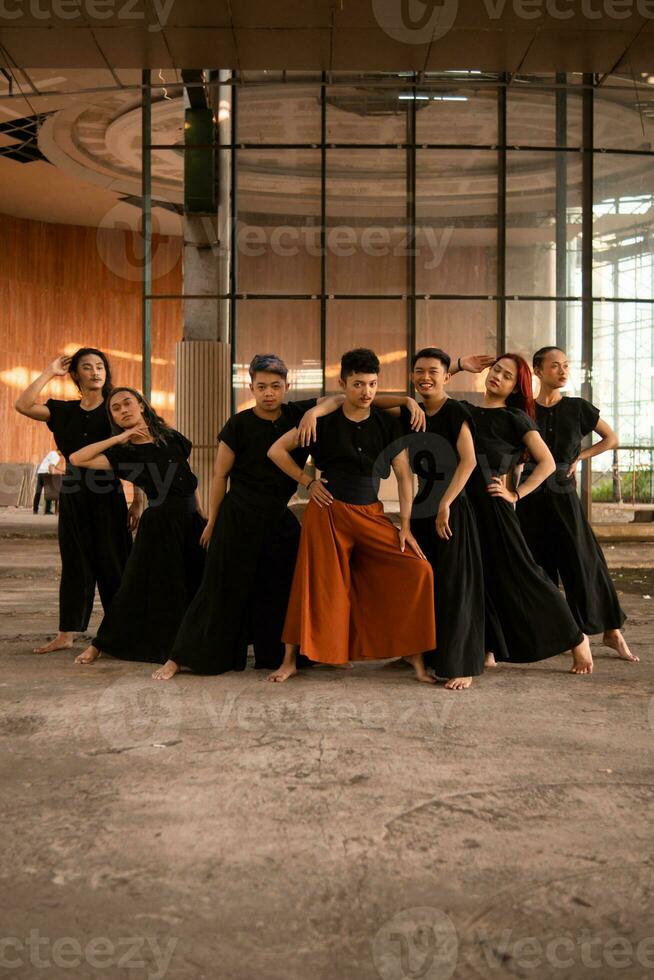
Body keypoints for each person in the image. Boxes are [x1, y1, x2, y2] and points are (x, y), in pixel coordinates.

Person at [153, 354, 426, 681]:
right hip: (239, 511)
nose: (269, 393)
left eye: (276, 386)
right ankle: (181, 657)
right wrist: (213, 519)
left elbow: (347, 396)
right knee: (218, 585)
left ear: (287, 387)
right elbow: (218, 476)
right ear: (251, 387)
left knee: (281, 586)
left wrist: (405, 400)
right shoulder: (238, 424)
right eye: (262, 387)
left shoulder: (300, 413)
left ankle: (280, 656)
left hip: (278, 515)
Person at [266, 347, 436, 684]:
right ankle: (289, 660)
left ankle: (415, 658)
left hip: (371, 513)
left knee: (419, 569)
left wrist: (405, 525)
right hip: (327, 514)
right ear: (343, 383)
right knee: (313, 584)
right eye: (358, 384)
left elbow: (404, 476)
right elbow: (276, 451)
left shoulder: (387, 424)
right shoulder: (322, 421)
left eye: (372, 384)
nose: (367, 392)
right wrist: (307, 482)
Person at [458, 353, 594, 675]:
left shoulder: (515, 418)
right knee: (481, 577)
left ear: (514, 387)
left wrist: (515, 493)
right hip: (467, 508)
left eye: (506, 376)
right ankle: (489, 646)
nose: (497, 377)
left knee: (526, 574)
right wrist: (458, 366)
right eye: (496, 371)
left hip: (497, 507)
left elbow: (546, 463)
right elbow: (430, 386)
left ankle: (577, 638)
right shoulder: (465, 411)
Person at [14, 351, 141, 654]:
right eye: (87, 367)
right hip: (72, 495)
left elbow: (136, 453)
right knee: (75, 564)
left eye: (100, 367)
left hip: (108, 495)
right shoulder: (63, 411)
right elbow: (22, 405)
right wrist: (49, 371)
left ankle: (119, 632)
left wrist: (138, 499)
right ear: (76, 375)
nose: (95, 372)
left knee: (114, 564)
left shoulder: (115, 411)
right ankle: (66, 634)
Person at [70, 387, 206, 666]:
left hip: (191, 521)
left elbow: (189, 478)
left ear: (141, 406)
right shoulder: (122, 453)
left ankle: (191, 645)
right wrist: (119, 438)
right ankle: (102, 644)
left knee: (196, 582)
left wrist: (203, 516)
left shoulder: (173, 438)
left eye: (127, 403)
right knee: (135, 587)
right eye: (116, 409)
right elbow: (77, 459)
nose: (123, 410)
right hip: (158, 525)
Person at [516, 346, 636, 662]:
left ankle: (612, 630)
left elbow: (610, 438)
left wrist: (578, 458)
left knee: (584, 563)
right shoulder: (523, 408)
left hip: (564, 496)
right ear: (538, 371)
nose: (563, 370)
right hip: (529, 497)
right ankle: (558, 635)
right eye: (555, 366)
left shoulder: (578, 407)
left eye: (566, 365)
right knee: (537, 567)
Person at [389, 348, 488, 690]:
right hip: (421, 506)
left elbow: (469, 461)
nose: (425, 377)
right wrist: (405, 399)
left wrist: (446, 503)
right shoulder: (408, 413)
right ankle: (423, 653)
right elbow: (360, 400)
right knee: (422, 582)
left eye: (433, 371)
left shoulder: (456, 410)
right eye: (418, 371)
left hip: (452, 506)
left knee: (454, 585)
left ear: (447, 376)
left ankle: (463, 664)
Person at [33, 449, 62, 514]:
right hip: (46, 473)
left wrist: (61, 470)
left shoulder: (51, 452)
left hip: (40, 472)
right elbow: (51, 466)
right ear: (60, 450)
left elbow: (52, 465)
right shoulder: (57, 456)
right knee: (50, 492)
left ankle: (35, 510)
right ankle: (47, 510)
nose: (62, 455)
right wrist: (52, 476)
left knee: (38, 492)